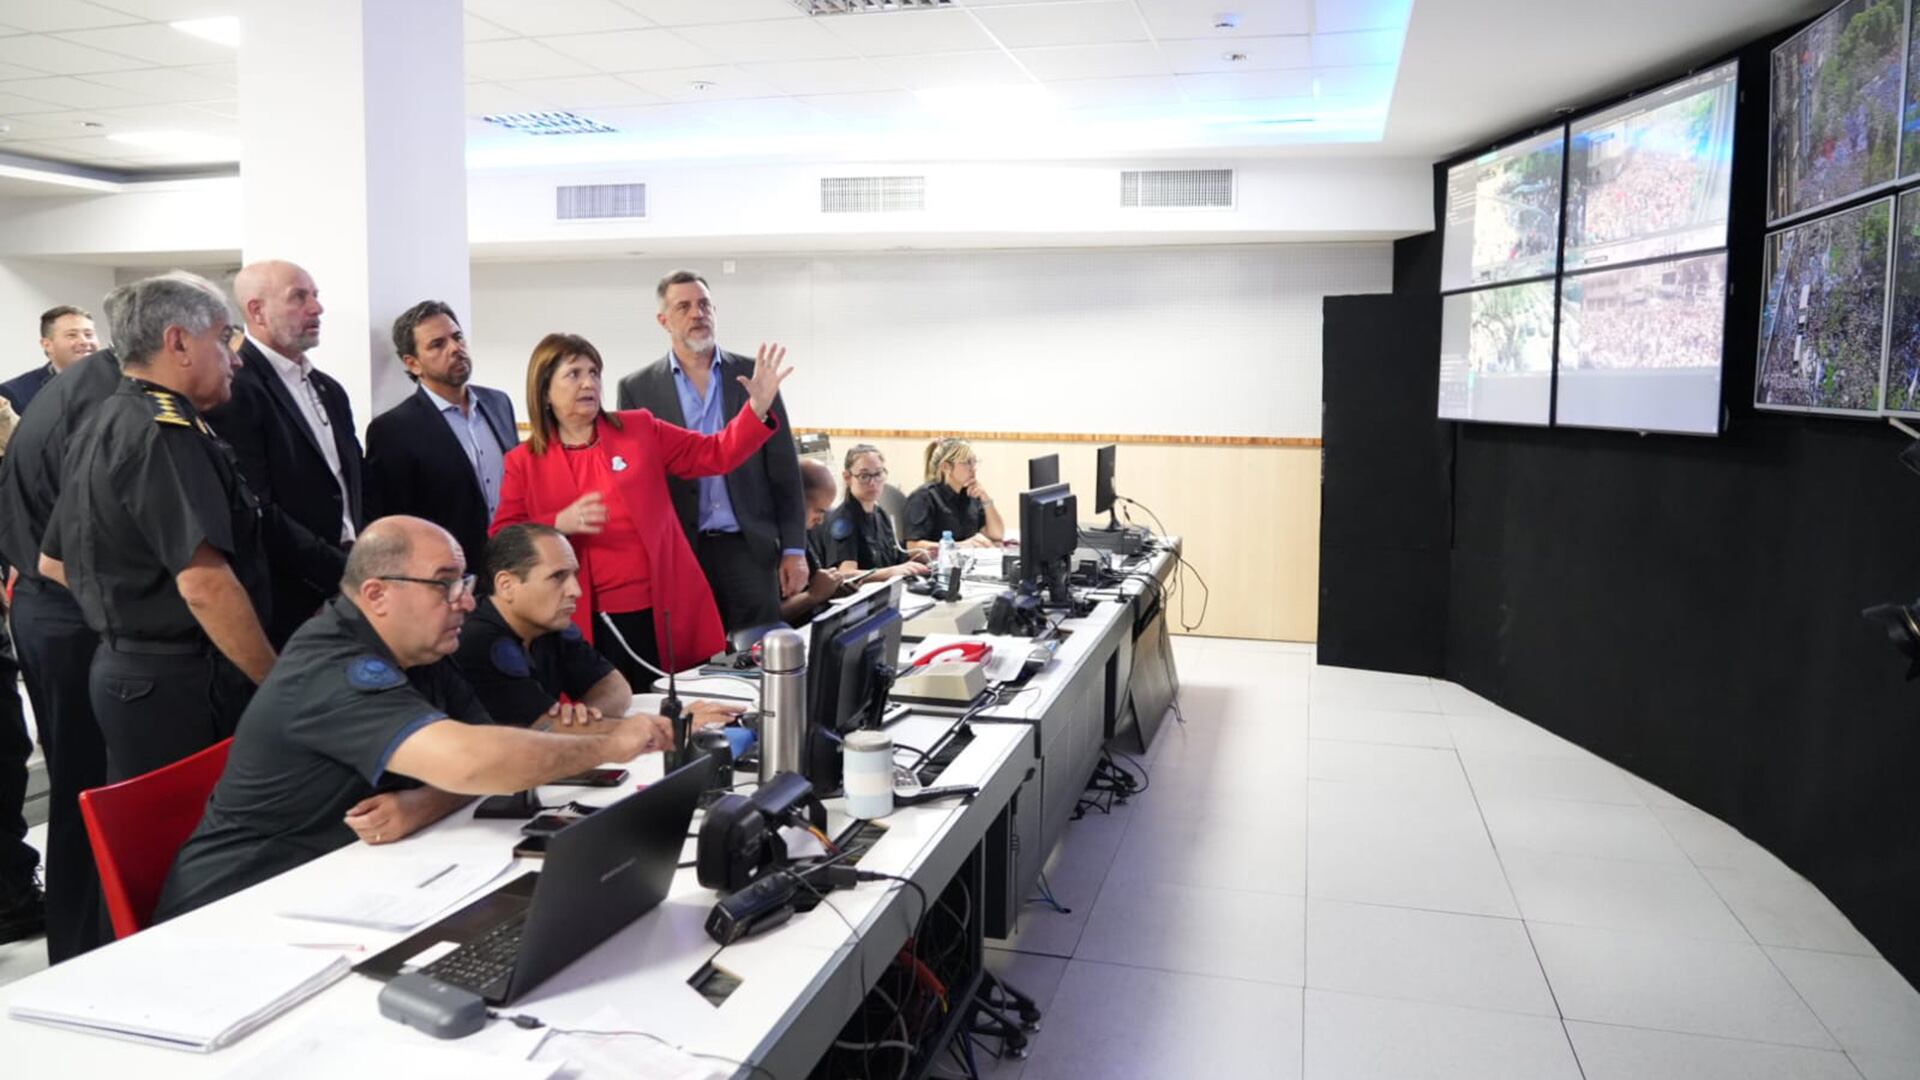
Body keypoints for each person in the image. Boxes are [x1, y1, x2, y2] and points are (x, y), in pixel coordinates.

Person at [151, 517, 682, 921]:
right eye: (444, 584)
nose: (466, 602)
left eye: (464, 582)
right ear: (378, 594)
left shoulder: (423, 653)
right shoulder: (333, 667)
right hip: (239, 909)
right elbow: (475, 765)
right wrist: (610, 746)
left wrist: (424, 801)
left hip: (342, 885)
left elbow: (485, 753)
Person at [38, 272, 275, 784]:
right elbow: (206, 584)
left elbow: (53, 561)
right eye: (223, 339)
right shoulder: (164, 434)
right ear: (179, 343)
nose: (234, 358)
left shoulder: (106, 421)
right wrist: (278, 686)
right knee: (201, 848)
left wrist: (124, 613)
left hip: (130, 676)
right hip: (183, 685)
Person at [494, 333, 792, 692]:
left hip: (664, 604)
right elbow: (502, 537)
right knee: (611, 710)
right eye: (574, 374)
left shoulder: (638, 428)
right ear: (544, 391)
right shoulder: (523, 463)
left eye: (594, 372)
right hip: (589, 617)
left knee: (677, 705)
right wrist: (558, 524)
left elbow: (715, 453)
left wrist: (756, 408)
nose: (588, 382)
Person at [0, 335, 123, 961]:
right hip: (66, 614)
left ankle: (64, 930)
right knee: (85, 788)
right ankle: (82, 949)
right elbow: (57, 553)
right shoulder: (100, 404)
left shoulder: (75, 393)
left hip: (42, 612)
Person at [616, 270, 807, 634]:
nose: (696, 314)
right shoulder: (637, 389)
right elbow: (639, 482)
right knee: (692, 659)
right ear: (664, 320)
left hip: (749, 548)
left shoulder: (754, 376)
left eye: (704, 304)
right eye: (683, 306)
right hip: (682, 552)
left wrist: (794, 550)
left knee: (759, 658)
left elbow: (784, 471)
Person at [207, 260, 363, 648]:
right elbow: (257, 506)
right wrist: (336, 570)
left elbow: (354, 481)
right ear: (256, 310)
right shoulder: (237, 389)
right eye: (299, 298)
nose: (317, 309)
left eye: (315, 296)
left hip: (352, 576)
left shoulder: (328, 388)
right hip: (290, 590)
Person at [456, 523, 741, 731]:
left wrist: (585, 722)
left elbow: (615, 688)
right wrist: (670, 726)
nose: (576, 590)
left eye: (574, 575)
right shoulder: (477, 642)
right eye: (557, 577)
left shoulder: (548, 623)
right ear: (507, 585)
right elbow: (546, 733)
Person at [364, 301, 518, 582]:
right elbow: (397, 524)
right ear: (413, 363)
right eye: (437, 344)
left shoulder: (498, 403)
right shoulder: (393, 430)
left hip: (513, 569)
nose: (454, 348)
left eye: (457, 337)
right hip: (449, 580)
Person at [815, 445, 931, 580]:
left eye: (878, 474)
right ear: (847, 477)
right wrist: (890, 572)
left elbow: (896, 558)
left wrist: (923, 559)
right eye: (864, 476)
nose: (873, 483)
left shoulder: (880, 513)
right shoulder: (843, 521)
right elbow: (845, 573)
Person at [904, 437, 1005, 551]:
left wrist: (986, 498)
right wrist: (960, 546)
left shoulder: (970, 494)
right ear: (946, 467)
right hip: (936, 566)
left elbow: (997, 535)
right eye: (967, 463)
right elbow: (913, 547)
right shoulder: (924, 497)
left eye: (974, 462)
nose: (974, 468)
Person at [783, 459, 849, 626]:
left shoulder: (801, 535)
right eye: (818, 511)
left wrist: (830, 589)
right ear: (796, 502)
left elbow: (815, 582)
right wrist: (813, 595)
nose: (820, 520)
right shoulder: (766, 543)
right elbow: (763, 618)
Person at [0, 305, 98, 414]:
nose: (84, 341)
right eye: (72, 335)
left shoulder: (115, 382)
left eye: (89, 335)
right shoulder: (14, 393)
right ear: (47, 345)